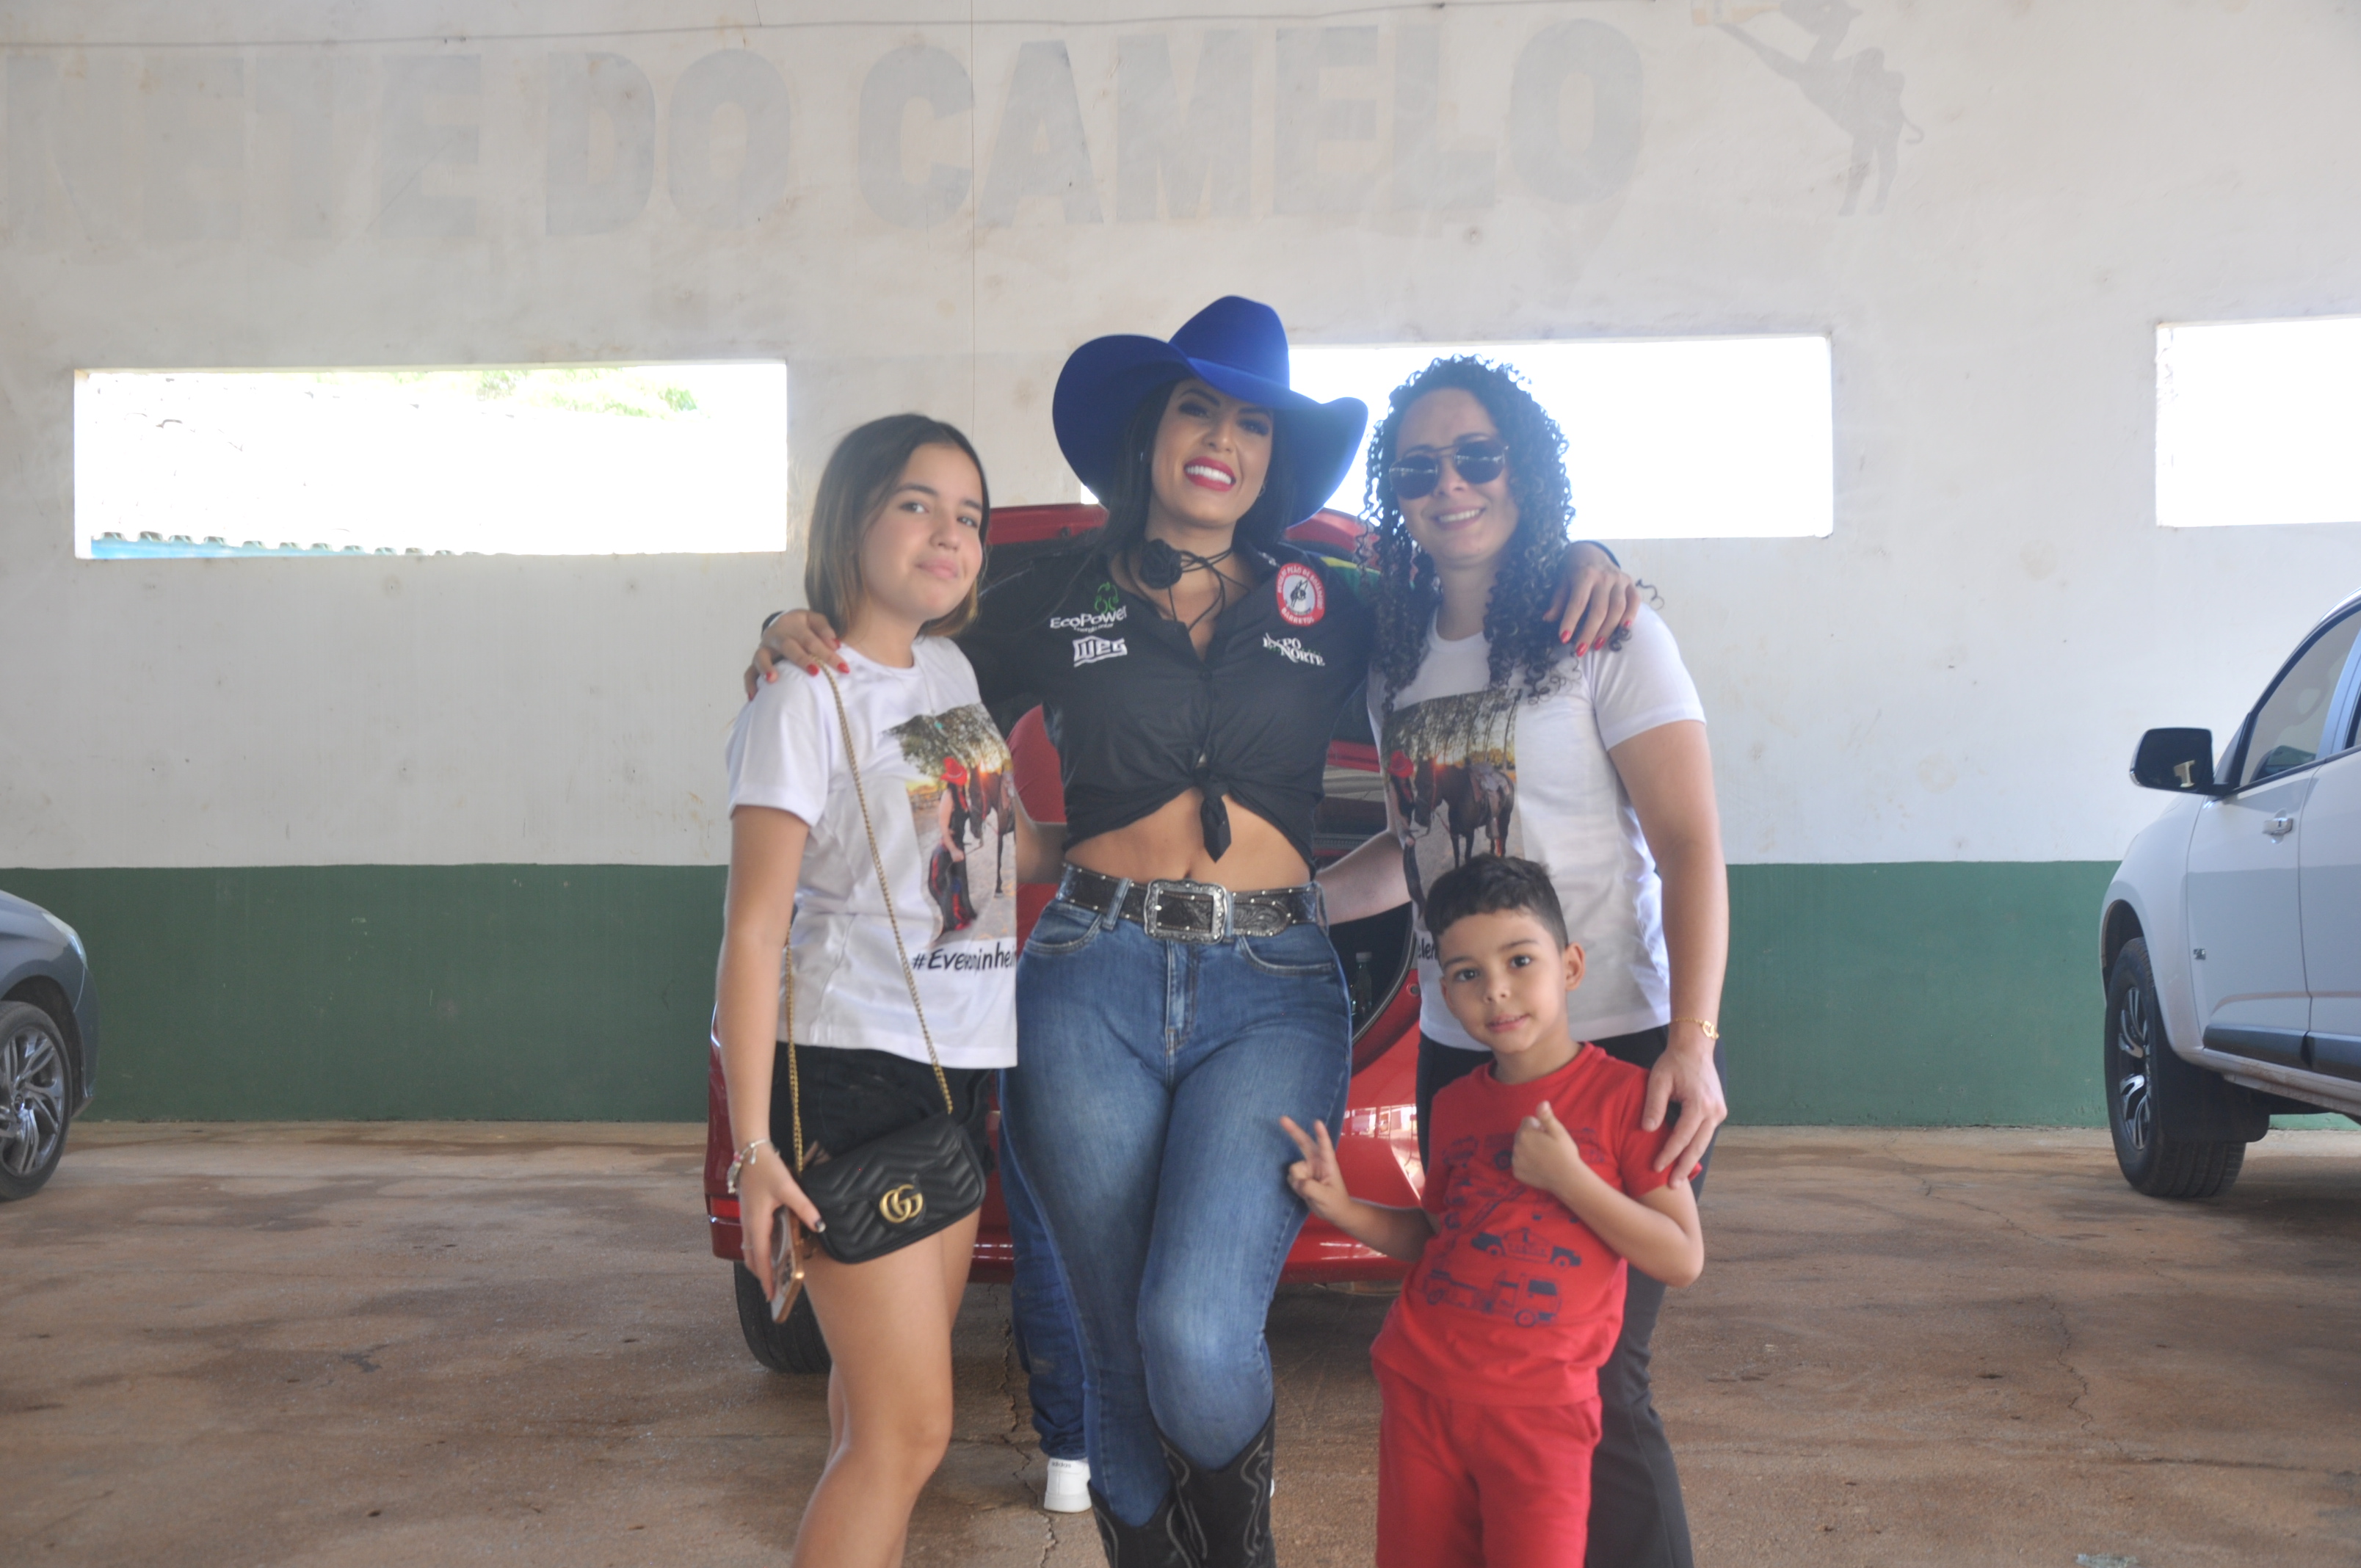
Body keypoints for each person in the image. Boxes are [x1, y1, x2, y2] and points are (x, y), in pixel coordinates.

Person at [750, 298, 1639, 1567]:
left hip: (1272, 988)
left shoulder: (1341, 601)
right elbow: (897, 649)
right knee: (1109, 1334)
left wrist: (1587, 553)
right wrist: (794, 631)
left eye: (1252, 423)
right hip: (1086, 981)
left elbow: (1474, 577)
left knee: (1196, 1331)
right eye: (1196, 410)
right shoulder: (1050, 594)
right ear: (1149, 433)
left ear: (1275, 457)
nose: (1223, 440)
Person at [1318, 356, 1730, 1568]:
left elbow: (1691, 845)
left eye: (1478, 457)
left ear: (1524, 469)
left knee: (1595, 1375)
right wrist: (1286, 903)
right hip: (1464, 1055)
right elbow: (1420, 852)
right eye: (1418, 468)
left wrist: (1694, 1044)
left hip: (1613, 1043)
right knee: (1495, 1348)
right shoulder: (1395, 657)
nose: (1450, 485)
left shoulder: (1602, 626)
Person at [716, 413, 1053, 1568]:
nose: (950, 534)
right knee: (910, 1434)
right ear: (852, 516)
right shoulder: (801, 695)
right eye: (917, 504)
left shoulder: (949, 671)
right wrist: (753, 1149)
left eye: (970, 515)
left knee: (872, 1423)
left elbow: (994, 851)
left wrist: (1131, 842)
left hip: (959, 1063)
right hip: (854, 1069)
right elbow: (753, 933)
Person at [1282, 855, 1704, 1568]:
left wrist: (1571, 1180)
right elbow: (1435, 1236)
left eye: (1520, 961)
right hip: (1422, 1390)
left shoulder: (1629, 1100)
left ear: (1571, 966)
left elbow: (1682, 1257)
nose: (1496, 990)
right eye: (1467, 973)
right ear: (1445, 991)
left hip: (1543, 1418)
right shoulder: (1455, 1105)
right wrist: (1342, 1207)